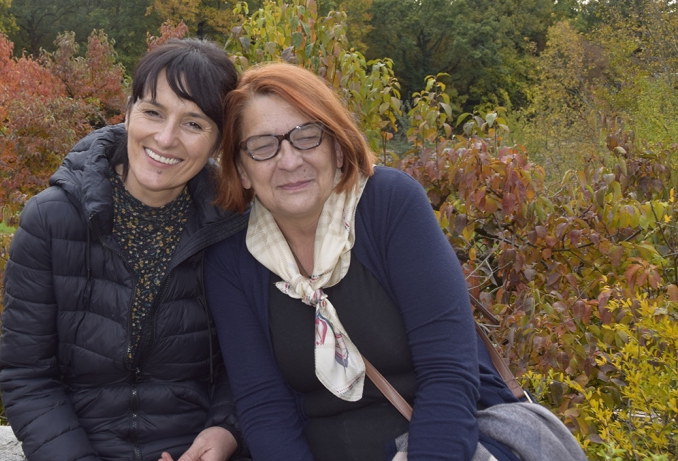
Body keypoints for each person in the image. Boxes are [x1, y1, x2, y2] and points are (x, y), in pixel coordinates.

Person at [205, 63, 520, 461]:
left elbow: (449, 372)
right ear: (242, 170)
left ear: (337, 148)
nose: (289, 161)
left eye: (307, 136)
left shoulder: (389, 205)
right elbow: (264, 408)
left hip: (445, 441)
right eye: (263, 146)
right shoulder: (232, 261)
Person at [0, 39, 249, 461]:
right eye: (153, 112)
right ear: (129, 112)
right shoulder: (51, 221)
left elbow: (250, 361)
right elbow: (27, 374)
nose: (165, 138)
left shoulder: (233, 227)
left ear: (218, 142)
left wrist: (226, 429)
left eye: (194, 124)